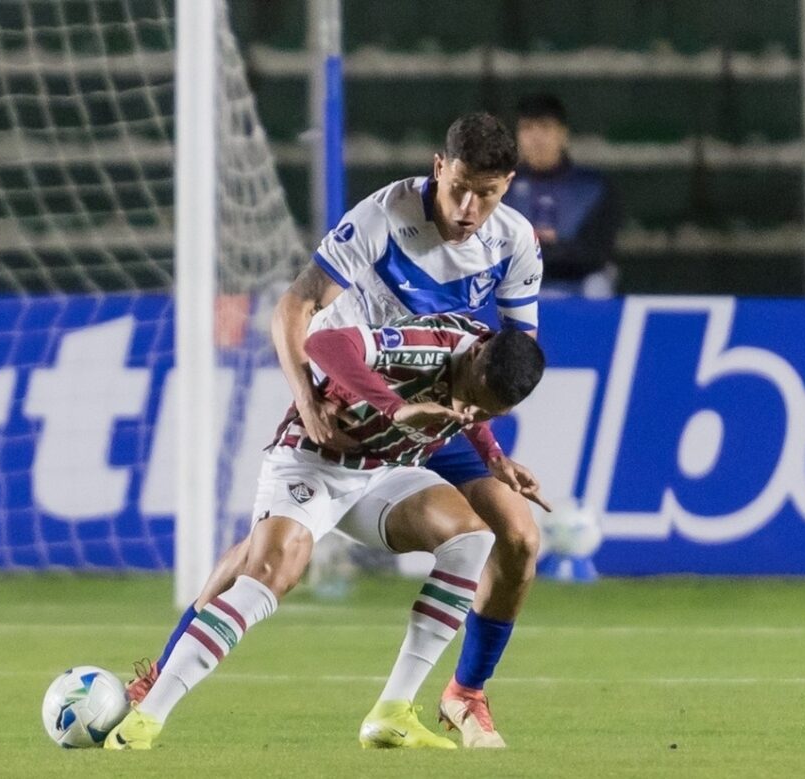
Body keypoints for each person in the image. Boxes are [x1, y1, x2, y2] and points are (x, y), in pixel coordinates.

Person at [130, 112, 544, 749]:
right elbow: (297, 310)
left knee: (514, 535)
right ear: (440, 167)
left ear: (507, 186)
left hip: (439, 405)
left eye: (484, 193)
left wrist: (490, 447)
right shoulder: (384, 217)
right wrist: (310, 402)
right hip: (355, 392)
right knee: (265, 557)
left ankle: (463, 694)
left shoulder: (514, 243)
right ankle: (159, 677)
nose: (467, 207)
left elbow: (507, 358)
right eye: (458, 186)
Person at [105, 314, 547, 750]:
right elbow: (326, 344)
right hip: (313, 461)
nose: (470, 411)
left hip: (383, 473)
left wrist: (492, 456)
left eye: (486, 411)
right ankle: (147, 718)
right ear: (474, 357)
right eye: (472, 397)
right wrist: (397, 408)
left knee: (472, 538)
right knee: (272, 572)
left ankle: (392, 713)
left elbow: (473, 410)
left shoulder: (483, 375)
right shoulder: (425, 343)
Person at [504, 93, 620, 298]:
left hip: (577, 284)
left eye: (545, 127)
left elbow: (596, 253)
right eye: (528, 128)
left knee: (598, 285)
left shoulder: (592, 187)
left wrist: (544, 249)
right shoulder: (501, 189)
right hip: (516, 287)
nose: (536, 137)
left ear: (563, 134)